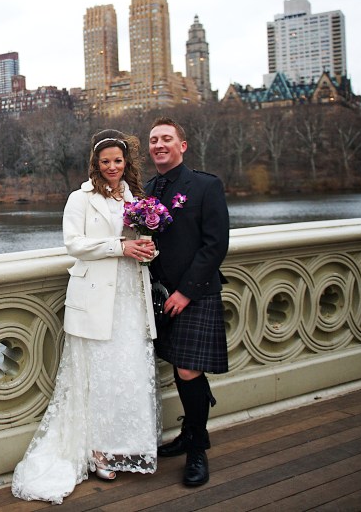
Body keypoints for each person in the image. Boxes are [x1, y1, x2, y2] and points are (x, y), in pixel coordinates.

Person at [11, 129, 161, 504]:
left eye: (118, 161)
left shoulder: (136, 197)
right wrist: (119, 246)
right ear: (96, 164)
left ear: (127, 163)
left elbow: (138, 240)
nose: (113, 167)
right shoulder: (81, 198)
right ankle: (96, 451)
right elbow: (74, 244)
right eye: (106, 161)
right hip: (95, 295)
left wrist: (145, 247)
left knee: (126, 370)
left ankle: (124, 443)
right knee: (98, 374)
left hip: (129, 293)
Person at [145, 117, 230, 487]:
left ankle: (197, 448)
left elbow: (216, 245)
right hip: (160, 295)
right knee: (182, 366)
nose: (159, 144)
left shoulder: (206, 186)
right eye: (153, 140)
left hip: (195, 293)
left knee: (188, 370)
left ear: (183, 145)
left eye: (166, 138)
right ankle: (189, 434)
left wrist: (186, 291)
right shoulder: (147, 189)